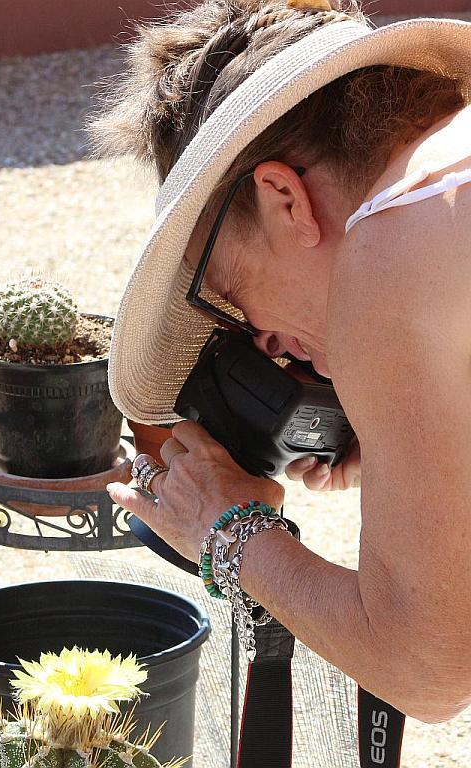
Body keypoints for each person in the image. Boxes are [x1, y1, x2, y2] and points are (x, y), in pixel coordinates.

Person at [93, 0, 471, 723]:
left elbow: (430, 669)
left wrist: (228, 528)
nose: (262, 340)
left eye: (231, 293)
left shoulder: (391, 245)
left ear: (284, 200)